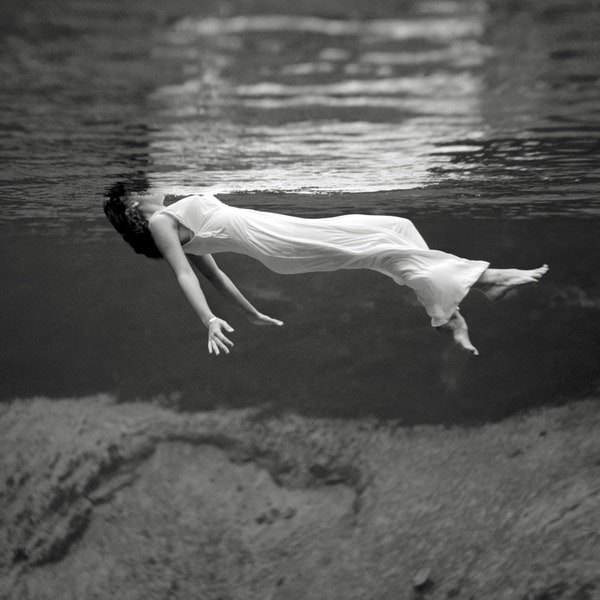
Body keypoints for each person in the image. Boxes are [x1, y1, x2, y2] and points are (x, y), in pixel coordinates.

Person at [103, 183, 548, 357]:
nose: (150, 186)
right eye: (139, 189)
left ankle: (446, 309)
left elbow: (216, 275)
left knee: (395, 228)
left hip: (283, 235)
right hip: (279, 244)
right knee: (382, 249)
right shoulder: (163, 222)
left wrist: (251, 312)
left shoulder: (173, 216)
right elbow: (187, 274)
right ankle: (483, 283)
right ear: (132, 205)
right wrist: (209, 319)